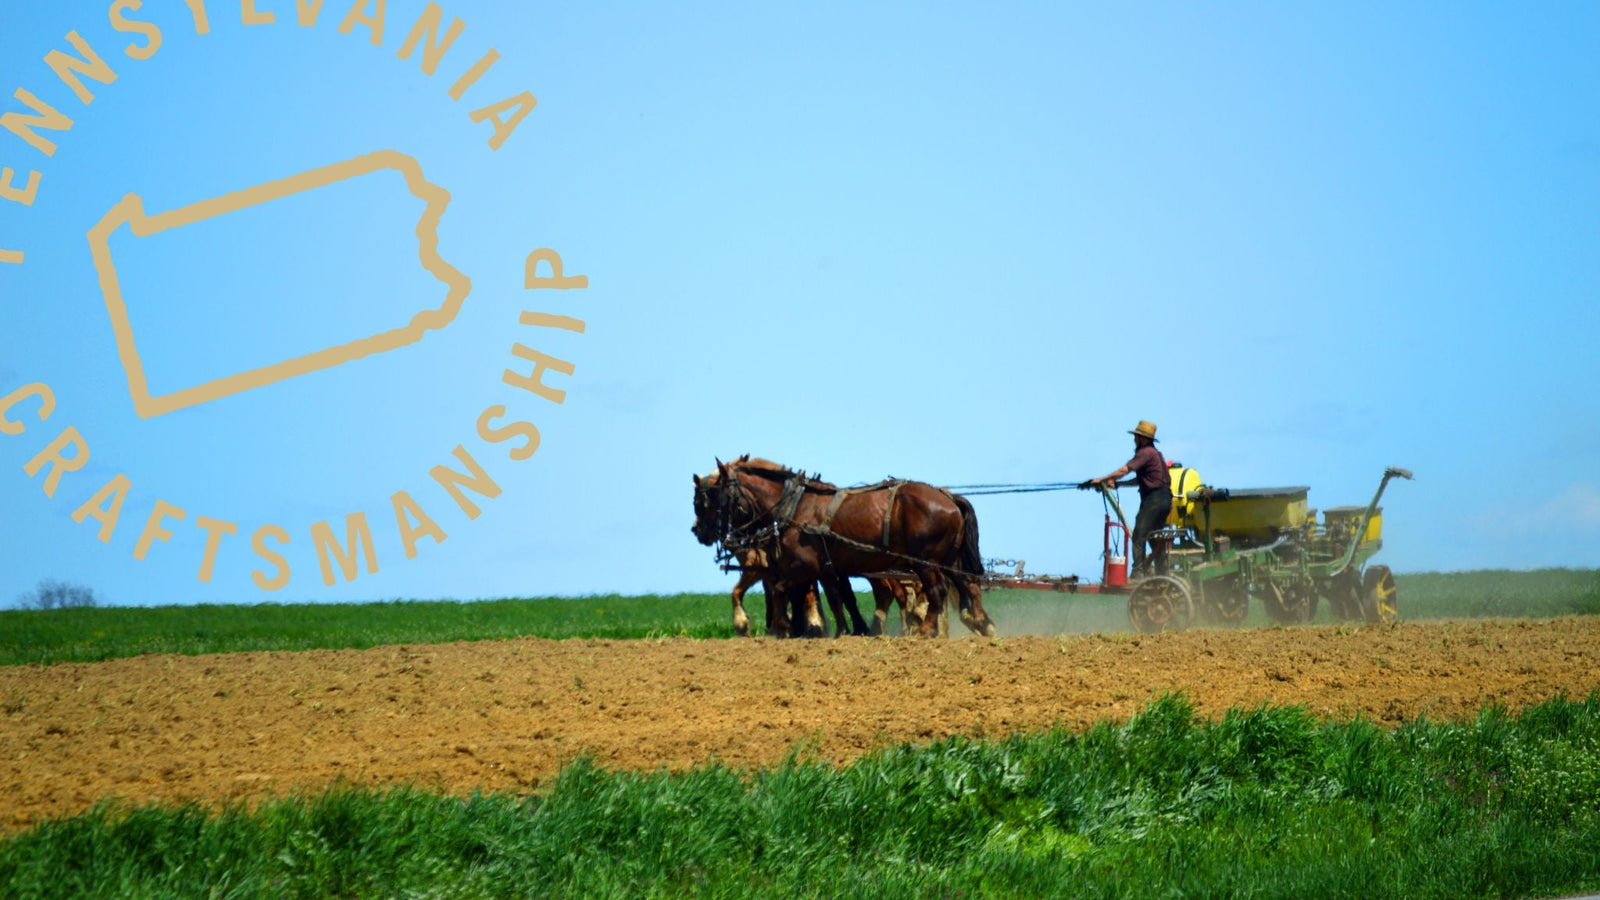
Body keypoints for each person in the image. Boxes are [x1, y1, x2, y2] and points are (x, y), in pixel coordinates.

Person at [1085, 420, 1171, 577]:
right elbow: (1142, 480)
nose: (1134, 440)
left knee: (1139, 534)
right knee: (1154, 537)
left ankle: (1137, 573)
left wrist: (1101, 479)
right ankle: (1162, 574)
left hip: (1154, 500)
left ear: (1141, 438)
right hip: (1165, 499)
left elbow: (1125, 470)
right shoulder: (1156, 454)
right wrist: (1118, 485)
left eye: (1136, 437)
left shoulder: (1145, 452)